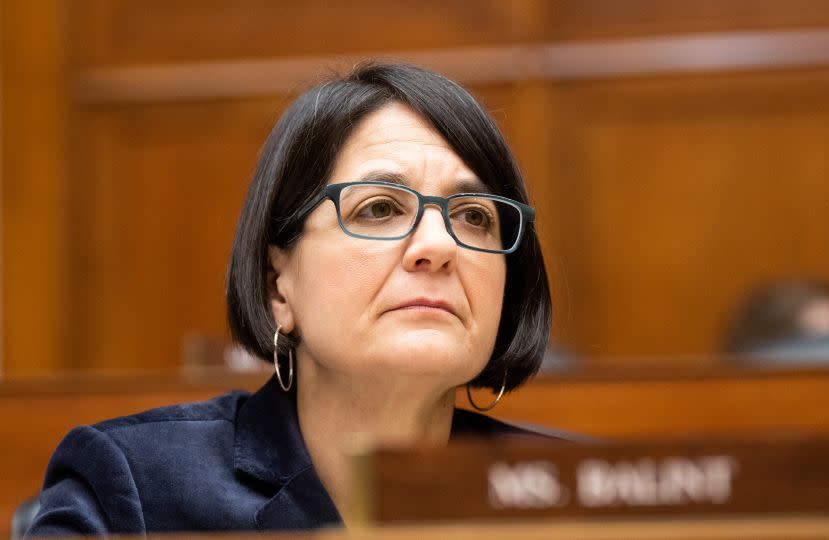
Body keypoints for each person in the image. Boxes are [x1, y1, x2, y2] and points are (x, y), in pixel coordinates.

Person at [27, 62, 552, 535]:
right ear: (278, 283)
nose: (438, 246)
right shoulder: (134, 491)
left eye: (475, 216)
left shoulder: (569, 494)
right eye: (378, 208)